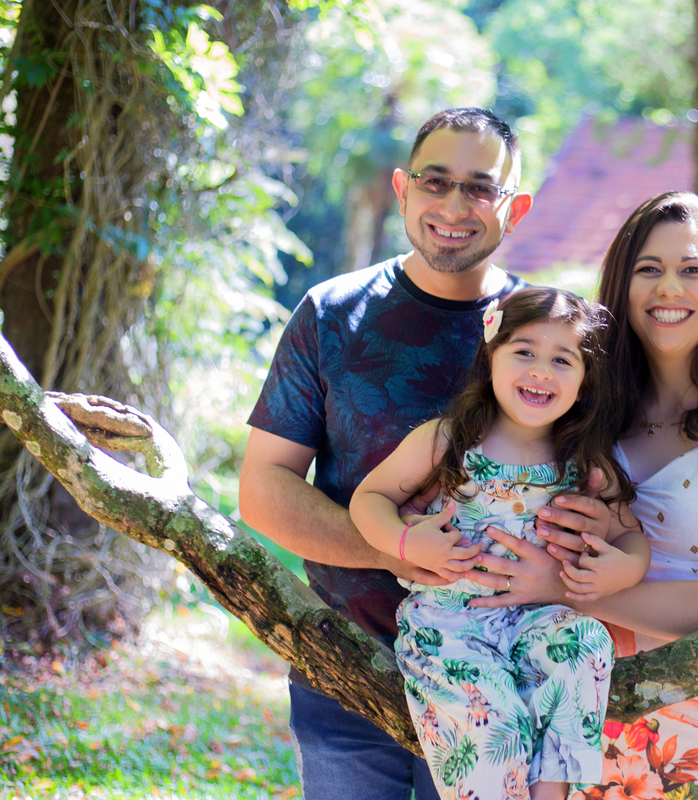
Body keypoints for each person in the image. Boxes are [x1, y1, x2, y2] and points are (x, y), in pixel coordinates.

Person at [467, 192, 698, 800]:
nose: (669, 289)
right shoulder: (584, 400)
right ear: (621, 284)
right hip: (580, 698)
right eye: (648, 269)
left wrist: (565, 589)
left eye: (692, 270)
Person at [239, 108, 551, 800]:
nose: (452, 205)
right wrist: (399, 549)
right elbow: (264, 489)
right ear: (403, 188)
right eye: (435, 182)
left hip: (500, 681)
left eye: (479, 188)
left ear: (515, 208)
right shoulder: (331, 313)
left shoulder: (550, 338)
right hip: (345, 667)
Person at [351, 287, 649, 800]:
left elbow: (631, 538)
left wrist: (618, 572)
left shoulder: (584, 463)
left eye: (562, 359)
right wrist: (406, 542)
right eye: (525, 351)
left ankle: (552, 791)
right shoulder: (449, 439)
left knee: (587, 644)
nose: (541, 370)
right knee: (496, 717)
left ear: (585, 380)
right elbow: (369, 498)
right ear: (492, 356)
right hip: (450, 620)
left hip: (534, 618)